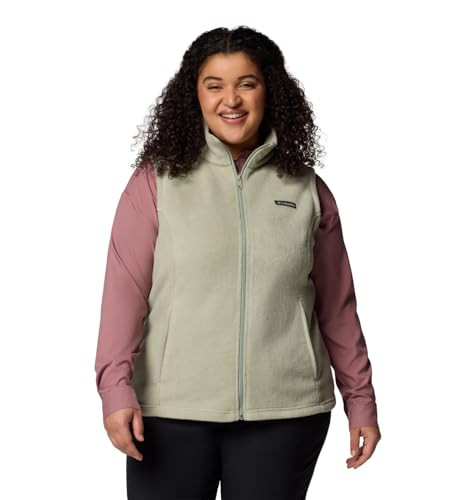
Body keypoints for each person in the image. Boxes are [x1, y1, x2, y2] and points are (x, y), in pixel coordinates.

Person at [94, 25, 381, 500]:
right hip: (169, 412)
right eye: (215, 85)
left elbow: (337, 308)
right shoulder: (155, 182)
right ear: (195, 95)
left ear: (270, 90)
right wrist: (115, 390)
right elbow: (124, 295)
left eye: (246, 83)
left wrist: (361, 399)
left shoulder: (306, 188)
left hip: (285, 414)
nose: (232, 100)